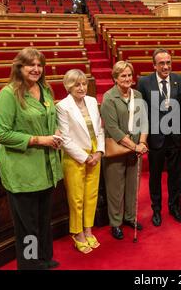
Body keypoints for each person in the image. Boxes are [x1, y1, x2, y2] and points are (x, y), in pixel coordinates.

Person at [0, 47, 63, 270]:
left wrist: (57, 132)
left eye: (39, 65)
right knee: (28, 226)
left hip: (47, 167)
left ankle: (44, 258)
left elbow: (50, 119)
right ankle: (30, 264)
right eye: (30, 65)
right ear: (19, 67)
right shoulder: (9, 93)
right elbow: (0, 133)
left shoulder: (45, 89)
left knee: (43, 219)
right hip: (23, 171)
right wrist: (38, 140)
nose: (36, 69)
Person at [137, 48, 181, 227]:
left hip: (175, 137)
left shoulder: (179, 81)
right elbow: (141, 111)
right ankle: (157, 210)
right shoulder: (144, 82)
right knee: (155, 176)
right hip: (155, 137)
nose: (166, 66)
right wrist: (142, 138)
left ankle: (174, 208)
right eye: (161, 63)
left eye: (168, 62)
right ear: (154, 65)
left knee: (175, 175)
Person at [56, 69, 104, 254]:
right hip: (75, 156)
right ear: (69, 86)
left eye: (84, 83)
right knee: (76, 198)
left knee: (91, 195)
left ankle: (88, 229)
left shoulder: (92, 101)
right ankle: (77, 233)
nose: (82, 87)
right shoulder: (63, 106)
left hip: (94, 152)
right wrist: (85, 157)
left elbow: (100, 129)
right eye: (77, 84)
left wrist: (99, 151)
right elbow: (65, 139)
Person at [100, 61, 148, 240]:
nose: (127, 79)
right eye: (123, 76)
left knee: (132, 186)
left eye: (129, 75)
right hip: (117, 150)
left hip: (136, 149)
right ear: (115, 78)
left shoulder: (138, 95)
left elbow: (144, 122)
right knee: (115, 189)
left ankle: (130, 217)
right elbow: (113, 129)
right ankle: (116, 223)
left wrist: (142, 143)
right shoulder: (108, 98)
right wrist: (134, 145)